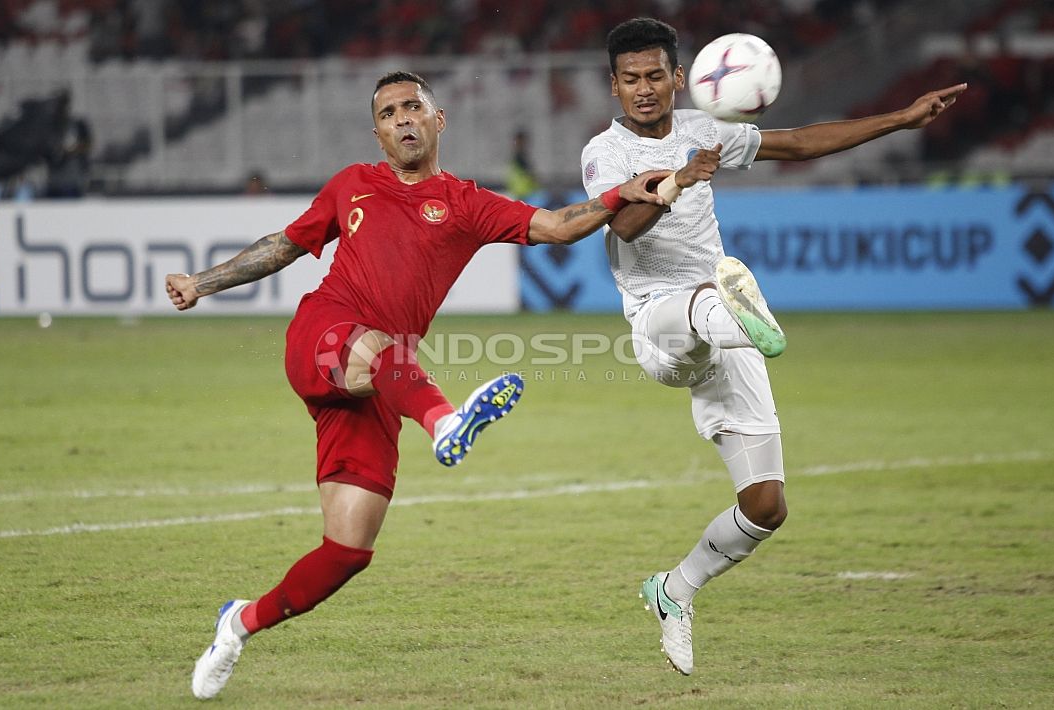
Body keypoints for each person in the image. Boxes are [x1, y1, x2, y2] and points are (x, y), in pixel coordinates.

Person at [167, 70, 670, 700]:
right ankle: (446, 423)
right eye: (387, 113)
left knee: (347, 550)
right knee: (377, 346)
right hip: (325, 334)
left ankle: (238, 623)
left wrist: (626, 192)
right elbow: (283, 247)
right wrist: (202, 284)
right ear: (376, 132)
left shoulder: (465, 203)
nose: (402, 119)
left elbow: (560, 226)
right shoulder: (352, 185)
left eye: (412, 107)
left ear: (439, 118)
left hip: (383, 385)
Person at [581, 18, 964, 675]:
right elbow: (625, 225)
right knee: (705, 302)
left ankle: (674, 591)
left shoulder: (705, 130)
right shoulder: (604, 153)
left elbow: (800, 142)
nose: (644, 89)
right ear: (613, 86)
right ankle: (734, 309)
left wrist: (899, 119)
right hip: (659, 320)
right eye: (630, 79)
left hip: (726, 329)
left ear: (679, 79)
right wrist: (680, 179)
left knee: (766, 506)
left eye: (654, 76)